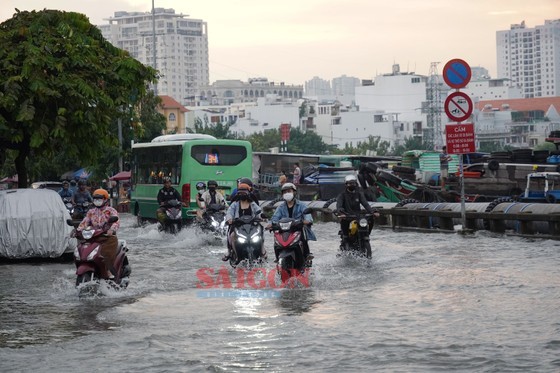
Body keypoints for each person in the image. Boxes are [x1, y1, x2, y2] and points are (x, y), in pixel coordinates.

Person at [266, 182, 316, 263]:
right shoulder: (281, 207)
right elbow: (275, 218)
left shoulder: (302, 205)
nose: (287, 193)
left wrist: (306, 221)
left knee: (302, 233)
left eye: (289, 191)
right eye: (285, 192)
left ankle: (307, 255)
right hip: (285, 230)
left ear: (294, 192)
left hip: (297, 229)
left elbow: (308, 217)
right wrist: (270, 224)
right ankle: (277, 256)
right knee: (276, 237)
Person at [77, 189, 120, 279]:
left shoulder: (111, 210)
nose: (97, 201)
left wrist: (111, 229)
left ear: (105, 200)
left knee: (106, 252)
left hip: (107, 237)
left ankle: (108, 269)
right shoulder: (91, 212)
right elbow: (84, 222)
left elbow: (116, 221)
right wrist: (78, 230)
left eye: (99, 199)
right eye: (95, 199)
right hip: (93, 236)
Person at [336, 175, 380, 253]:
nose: (352, 185)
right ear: (346, 184)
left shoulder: (359, 194)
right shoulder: (342, 195)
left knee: (370, 219)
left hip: (358, 217)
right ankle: (346, 240)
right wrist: (341, 212)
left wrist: (373, 212)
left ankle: (366, 235)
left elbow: (366, 204)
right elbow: (339, 206)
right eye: (350, 183)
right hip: (347, 217)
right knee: (345, 234)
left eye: (353, 183)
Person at [222, 183, 264, 262]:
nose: (242, 194)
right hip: (238, 226)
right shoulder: (235, 204)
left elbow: (259, 211)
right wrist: (229, 219)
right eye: (240, 192)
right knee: (231, 235)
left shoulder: (252, 204)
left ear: (248, 193)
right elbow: (229, 213)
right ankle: (231, 252)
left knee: (260, 232)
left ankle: (262, 251)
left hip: (252, 227)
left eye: (244, 192)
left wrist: (262, 217)